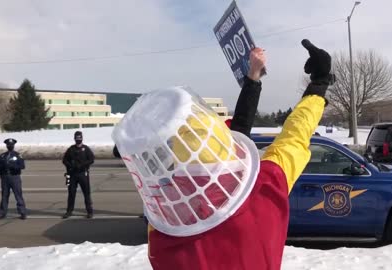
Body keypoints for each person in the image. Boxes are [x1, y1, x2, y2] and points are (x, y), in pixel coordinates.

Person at [112, 39, 333, 270]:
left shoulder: (164, 227)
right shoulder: (266, 186)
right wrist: (318, 84)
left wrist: (140, 143)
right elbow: (295, 135)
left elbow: (234, 137)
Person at [61, 131, 95, 219]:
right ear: (74, 139)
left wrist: (83, 165)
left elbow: (91, 159)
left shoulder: (86, 149)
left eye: (79, 139)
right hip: (72, 175)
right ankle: (69, 211)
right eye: (77, 139)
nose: (78, 141)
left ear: (82, 139)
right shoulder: (71, 149)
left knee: (86, 193)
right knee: (71, 193)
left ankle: (89, 211)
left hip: (83, 174)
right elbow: (64, 160)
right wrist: (70, 166)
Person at [0, 138, 27, 220]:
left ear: (13, 146)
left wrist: (13, 167)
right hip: (5, 177)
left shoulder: (17, 155)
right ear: (6, 146)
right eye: (8, 145)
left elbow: (22, 166)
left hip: (14, 177)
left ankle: (22, 212)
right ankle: (2, 213)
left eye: (11, 145)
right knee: (4, 196)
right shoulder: (2, 156)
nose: (10, 146)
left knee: (18, 195)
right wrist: (3, 167)